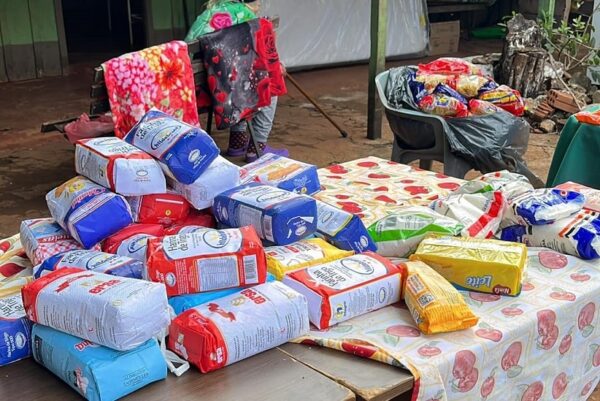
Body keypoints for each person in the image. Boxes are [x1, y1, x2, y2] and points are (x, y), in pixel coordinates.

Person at [185, 0, 288, 162]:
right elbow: (260, 57)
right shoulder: (246, 15)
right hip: (225, 88)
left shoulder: (208, 14)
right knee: (268, 84)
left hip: (200, 87)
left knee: (238, 79)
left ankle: (237, 142)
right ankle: (257, 148)